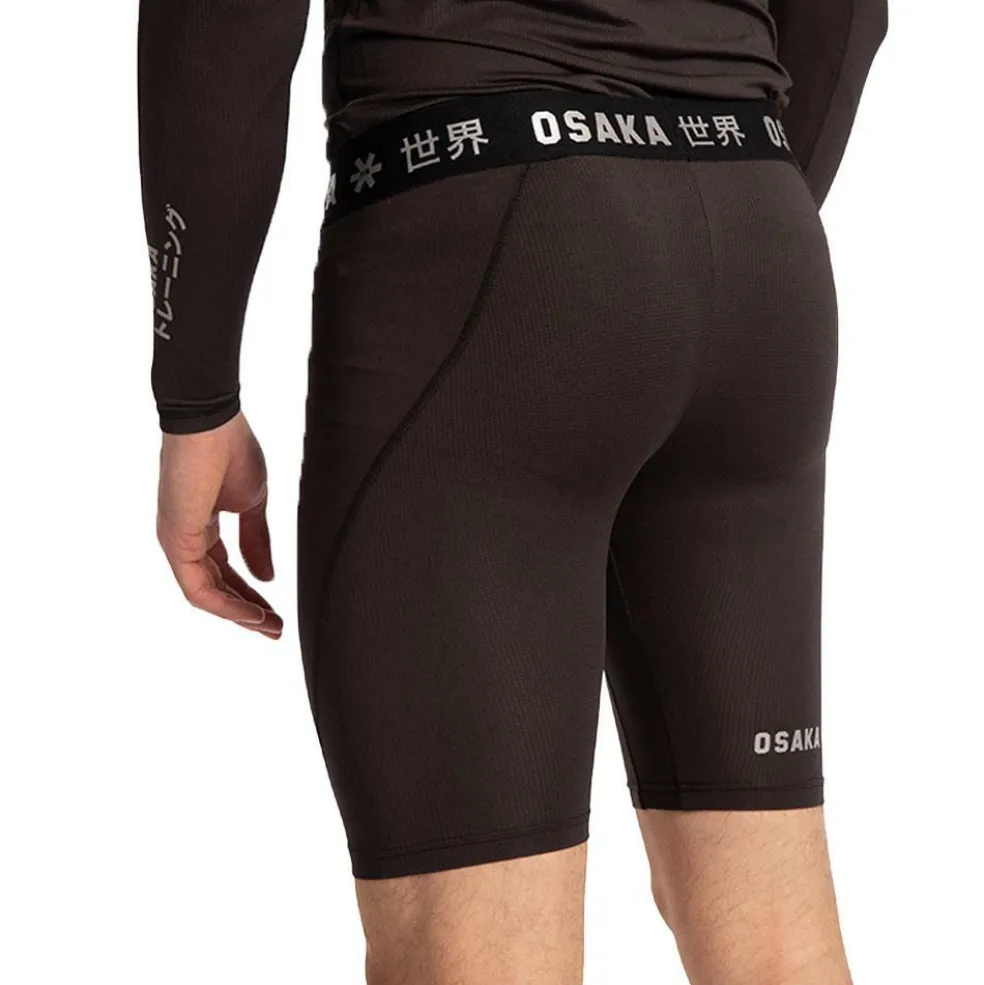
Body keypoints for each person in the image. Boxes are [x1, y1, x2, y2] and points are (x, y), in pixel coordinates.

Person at [138, 2, 888, 982]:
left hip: (495, 233)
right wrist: (730, 216)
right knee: (775, 933)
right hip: (755, 234)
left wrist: (195, 388)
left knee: (476, 948)